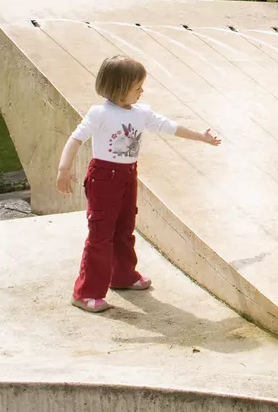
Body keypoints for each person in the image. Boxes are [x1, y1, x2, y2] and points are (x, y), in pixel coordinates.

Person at [56, 55, 222, 313]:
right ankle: (85, 292)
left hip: (127, 176)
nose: (142, 91)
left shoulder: (141, 113)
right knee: (101, 234)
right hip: (104, 178)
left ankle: (122, 276)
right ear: (120, 88)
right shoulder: (100, 113)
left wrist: (200, 137)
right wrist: (64, 169)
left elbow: (169, 126)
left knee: (125, 227)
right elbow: (76, 139)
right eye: (137, 87)